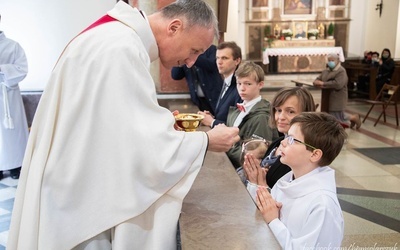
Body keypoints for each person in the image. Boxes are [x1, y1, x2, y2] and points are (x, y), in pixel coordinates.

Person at [7, 1, 240, 249]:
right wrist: (206, 141)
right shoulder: (122, 48)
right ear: (174, 27)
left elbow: (106, 122)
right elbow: (140, 146)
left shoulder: (116, 37)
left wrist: (157, 121)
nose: (192, 62)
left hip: (71, 182)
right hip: (78, 202)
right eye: (194, 50)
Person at [255, 112, 347, 249]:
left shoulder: (323, 205)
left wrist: (274, 221)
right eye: (286, 137)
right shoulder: (289, 179)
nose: (283, 142)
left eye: (291, 140)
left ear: (315, 154)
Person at [243, 87, 316, 189]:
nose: (281, 117)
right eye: (278, 110)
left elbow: (290, 198)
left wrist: (261, 184)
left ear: (306, 114)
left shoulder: (301, 154)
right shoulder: (277, 142)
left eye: (290, 112)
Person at [225, 61, 279, 170]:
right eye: (239, 83)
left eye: (248, 84)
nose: (242, 88)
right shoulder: (237, 110)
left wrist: (224, 146)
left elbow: (254, 157)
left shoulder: (262, 117)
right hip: (230, 164)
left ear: (260, 85)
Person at [0, 14, 29, 180]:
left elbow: (22, 69)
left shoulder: (13, 46)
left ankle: (16, 165)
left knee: (12, 132)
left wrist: (2, 68)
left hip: (8, 95)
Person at [198, 41, 242, 128]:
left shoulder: (240, 87)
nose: (219, 62)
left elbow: (239, 125)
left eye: (224, 58)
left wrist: (212, 122)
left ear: (237, 61)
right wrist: (211, 118)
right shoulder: (225, 82)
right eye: (217, 58)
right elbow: (226, 118)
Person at [313, 53, 361, 129]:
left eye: (332, 60)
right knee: (331, 116)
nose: (330, 62)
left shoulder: (341, 71)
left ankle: (353, 118)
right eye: (329, 60)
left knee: (337, 117)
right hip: (327, 97)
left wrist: (323, 83)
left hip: (337, 97)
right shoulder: (326, 71)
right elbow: (319, 78)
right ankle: (353, 118)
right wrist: (316, 81)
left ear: (338, 61)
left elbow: (338, 84)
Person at [171, 44, 223, 115]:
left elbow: (212, 65)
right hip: (198, 101)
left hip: (215, 97)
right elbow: (175, 76)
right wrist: (179, 58)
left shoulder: (211, 49)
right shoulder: (185, 55)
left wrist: (192, 56)